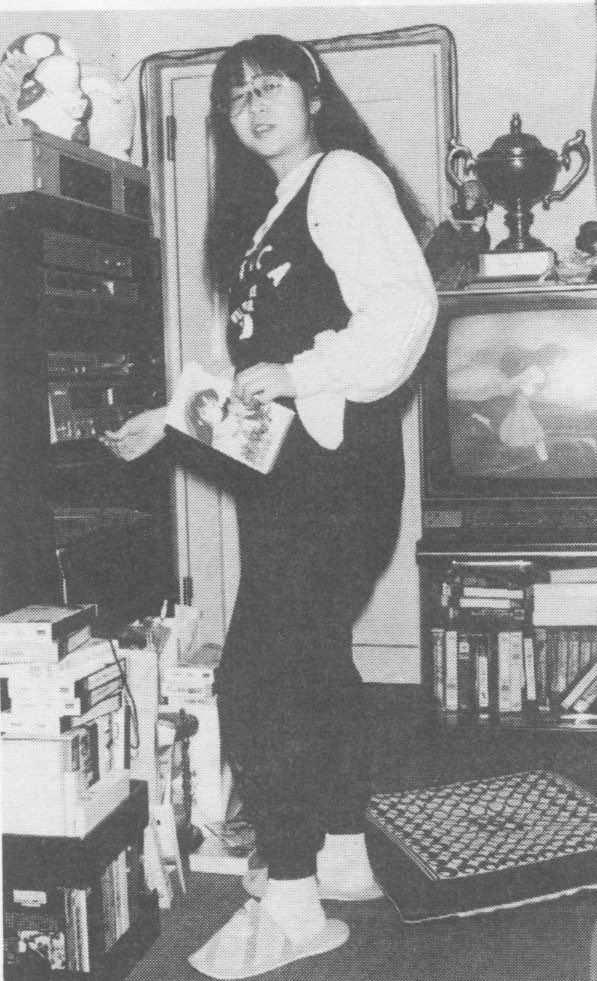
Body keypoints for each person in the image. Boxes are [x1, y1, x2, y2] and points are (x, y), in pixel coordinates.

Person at [102, 34, 437, 978]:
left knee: (260, 673)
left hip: (336, 478)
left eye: (270, 87)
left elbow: (403, 311)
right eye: (236, 97)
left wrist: (298, 369)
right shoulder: (264, 215)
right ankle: (338, 853)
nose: (254, 107)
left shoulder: (343, 180)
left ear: (312, 92)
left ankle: (291, 902)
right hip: (289, 482)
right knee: (315, 658)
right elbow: (241, 390)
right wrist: (165, 424)